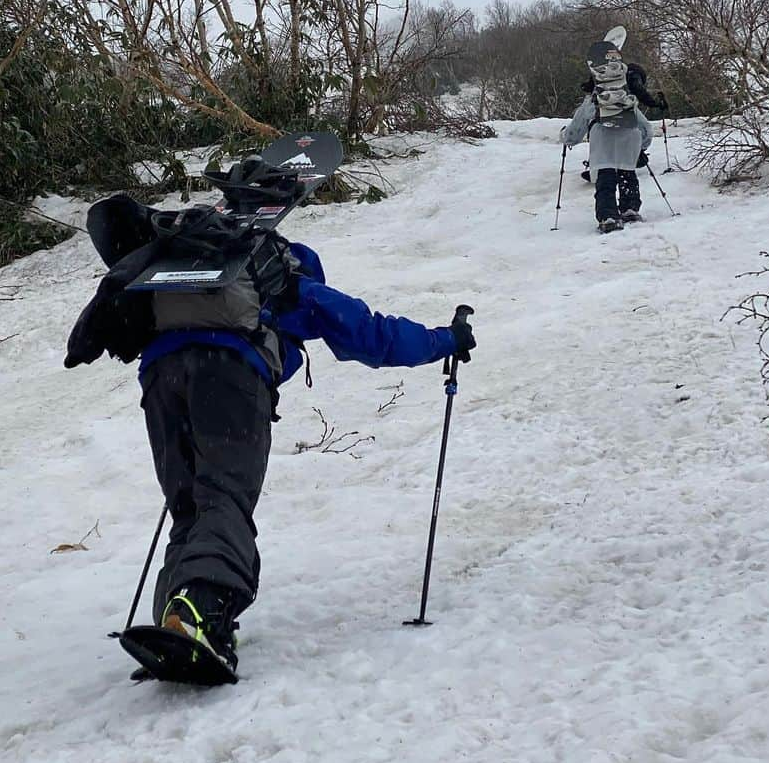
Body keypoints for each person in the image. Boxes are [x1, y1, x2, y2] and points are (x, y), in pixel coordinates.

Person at [64, 183, 476, 678]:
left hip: (160, 379)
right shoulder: (283, 276)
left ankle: (182, 621)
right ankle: (197, 614)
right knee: (225, 498)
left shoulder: (188, 270)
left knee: (189, 505)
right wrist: (445, 340)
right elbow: (372, 334)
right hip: (230, 375)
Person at [562, 66, 654, 233]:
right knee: (628, 174)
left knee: (606, 178)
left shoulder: (593, 99)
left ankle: (608, 217)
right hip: (630, 138)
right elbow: (647, 129)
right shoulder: (626, 99)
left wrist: (565, 137)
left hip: (603, 139)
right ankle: (630, 210)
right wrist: (640, 148)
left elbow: (576, 130)